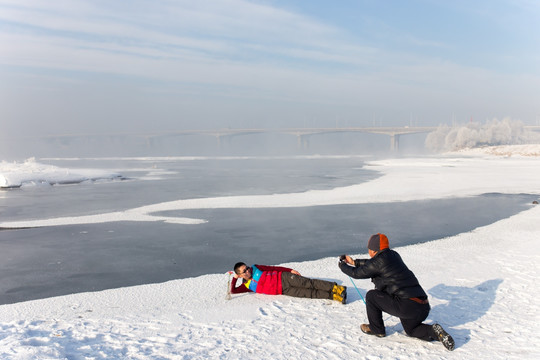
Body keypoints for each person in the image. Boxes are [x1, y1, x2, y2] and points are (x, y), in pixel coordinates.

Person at [338, 233, 455, 351]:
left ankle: (376, 329)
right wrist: (354, 262)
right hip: (422, 306)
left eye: (369, 249)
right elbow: (372, 264)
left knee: (371, 296)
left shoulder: (378, 262)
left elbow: (357, 273)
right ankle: (434, 331)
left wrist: (343, 266)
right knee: (411, 330)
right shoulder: (394, 255)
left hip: (406, 306)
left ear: (374, 250)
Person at [231, 262, 347, 304]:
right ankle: (335, 296)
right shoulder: (247, 286)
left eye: (247, 268)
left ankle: (337, 288)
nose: (247, 271)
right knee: (309, 294)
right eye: (244, 271)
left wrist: (289, 270)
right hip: (283, 290)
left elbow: (273, 268)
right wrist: (234, 278)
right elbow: (233, 291)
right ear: (240, 275)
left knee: (309, 283)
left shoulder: (256, 268)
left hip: (284, 278)